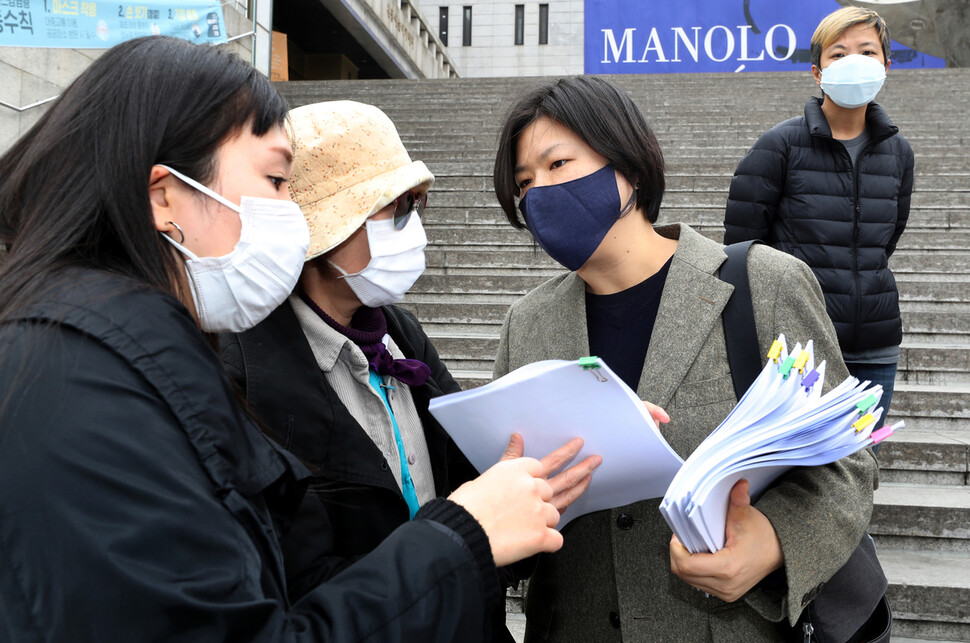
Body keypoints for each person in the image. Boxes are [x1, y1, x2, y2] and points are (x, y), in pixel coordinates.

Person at [0, 36, 586, 642]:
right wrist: (462, 535)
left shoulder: (389, 336)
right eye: (279, 179)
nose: (292, 209)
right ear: (164, 197)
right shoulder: (91, 384)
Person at [491, 76, 877, 642]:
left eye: (558, 165)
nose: (540, 193)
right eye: (524, 183)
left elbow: (848, 461)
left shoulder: (765, 284)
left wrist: (774, 543)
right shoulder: (524, 324)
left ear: (630, 165)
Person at [219, 100, 602, 640]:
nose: (414, 228)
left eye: (417, 206)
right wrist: (460, 540)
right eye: (395, 209)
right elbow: (292, 585)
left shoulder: (397, 333)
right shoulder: (246, 371)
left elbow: (469, 477)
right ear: (327, 225)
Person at [724, 6, 914, 426]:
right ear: (817, 71)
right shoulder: (779, 145)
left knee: (860, 459)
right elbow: (741, 248)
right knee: (799, 471)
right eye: (839, 54)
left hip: (875, 342)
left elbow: (887, 238)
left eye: (867, 52)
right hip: (799, 343)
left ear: (886, 65)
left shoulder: (898, 152)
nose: (854, 63)